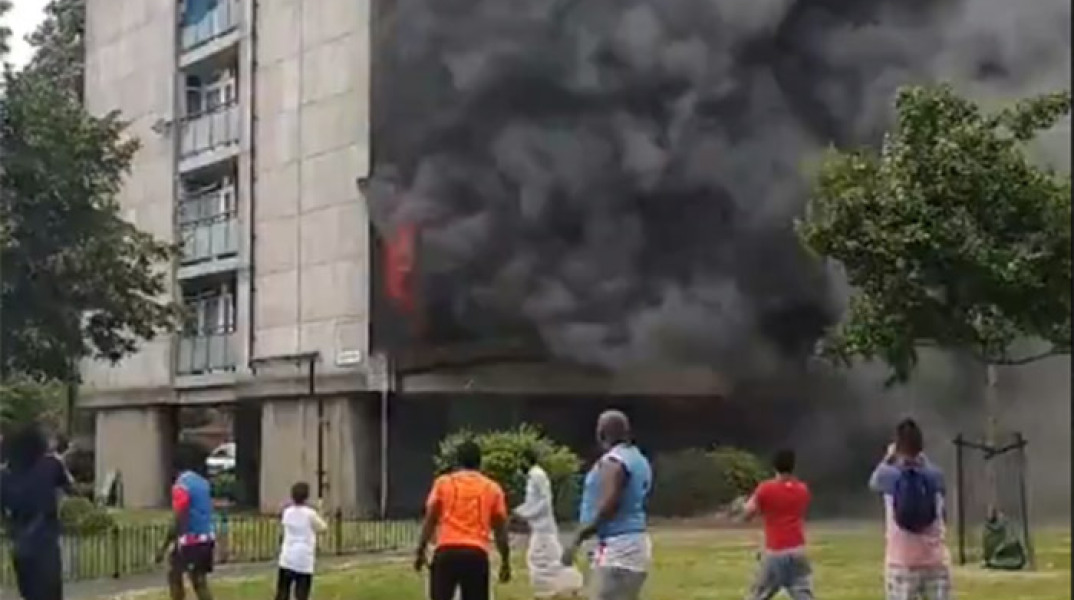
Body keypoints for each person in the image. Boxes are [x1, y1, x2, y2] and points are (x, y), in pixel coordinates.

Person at [562, 410, 652, 600]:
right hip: (635, 543)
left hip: (617, 547)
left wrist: (577, 538)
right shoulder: (638, 458)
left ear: (601, 433)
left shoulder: (614, 461)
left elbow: (609, 504)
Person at [415, 440, 512, 600]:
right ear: (480, 462)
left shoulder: (443, 483)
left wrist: (421, 550)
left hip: (446, 552)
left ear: (457, 462)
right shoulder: (492, 488)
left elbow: (430, 519)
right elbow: (500, 529)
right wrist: (505, 561)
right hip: (476, 554)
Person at [869, 418, 951, 600]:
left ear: (897, 446)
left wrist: (889, 458)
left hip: (902, 561)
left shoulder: (889, 476)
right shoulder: (935, 476)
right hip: (935, 559)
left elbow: (873, 482)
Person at [0, 422, 74, 600]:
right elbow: (69, 486)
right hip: (46, 538)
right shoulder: (50, 464)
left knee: (29, 592)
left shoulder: (4, 476)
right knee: (51, 591)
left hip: (21, 542)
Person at [740, 448, 814, 600]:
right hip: (798, 549)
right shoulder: (802, 489)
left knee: (758, 594)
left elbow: (748, 513)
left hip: (776, 550)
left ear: (774, 466)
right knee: (803, 594)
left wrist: (743, 504)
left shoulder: (766, 489)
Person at [513, 448, 584, 598]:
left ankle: (557, 587)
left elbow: (545, 502)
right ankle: (560, 586)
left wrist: (526, 514)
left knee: (543, 559)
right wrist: (521, 511)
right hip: (538, 526)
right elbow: (532, 501)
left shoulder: (538, 475)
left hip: (544, 527)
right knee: (547, 558)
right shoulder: (532, 477)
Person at [156, 442, 216, 600]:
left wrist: (166, 545)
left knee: (174, 574)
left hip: (189, 540)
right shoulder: (204, 484)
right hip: (206, 538)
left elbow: (179, 516)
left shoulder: (181, 486)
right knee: (199, 581)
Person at [275, 481, 328, 600]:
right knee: (301, 593)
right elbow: (323, 527)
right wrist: (321, 514)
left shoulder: (287, 512)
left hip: (287, 557)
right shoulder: (310, 514)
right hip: (304, 559)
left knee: (282, 592)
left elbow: (283, 529)